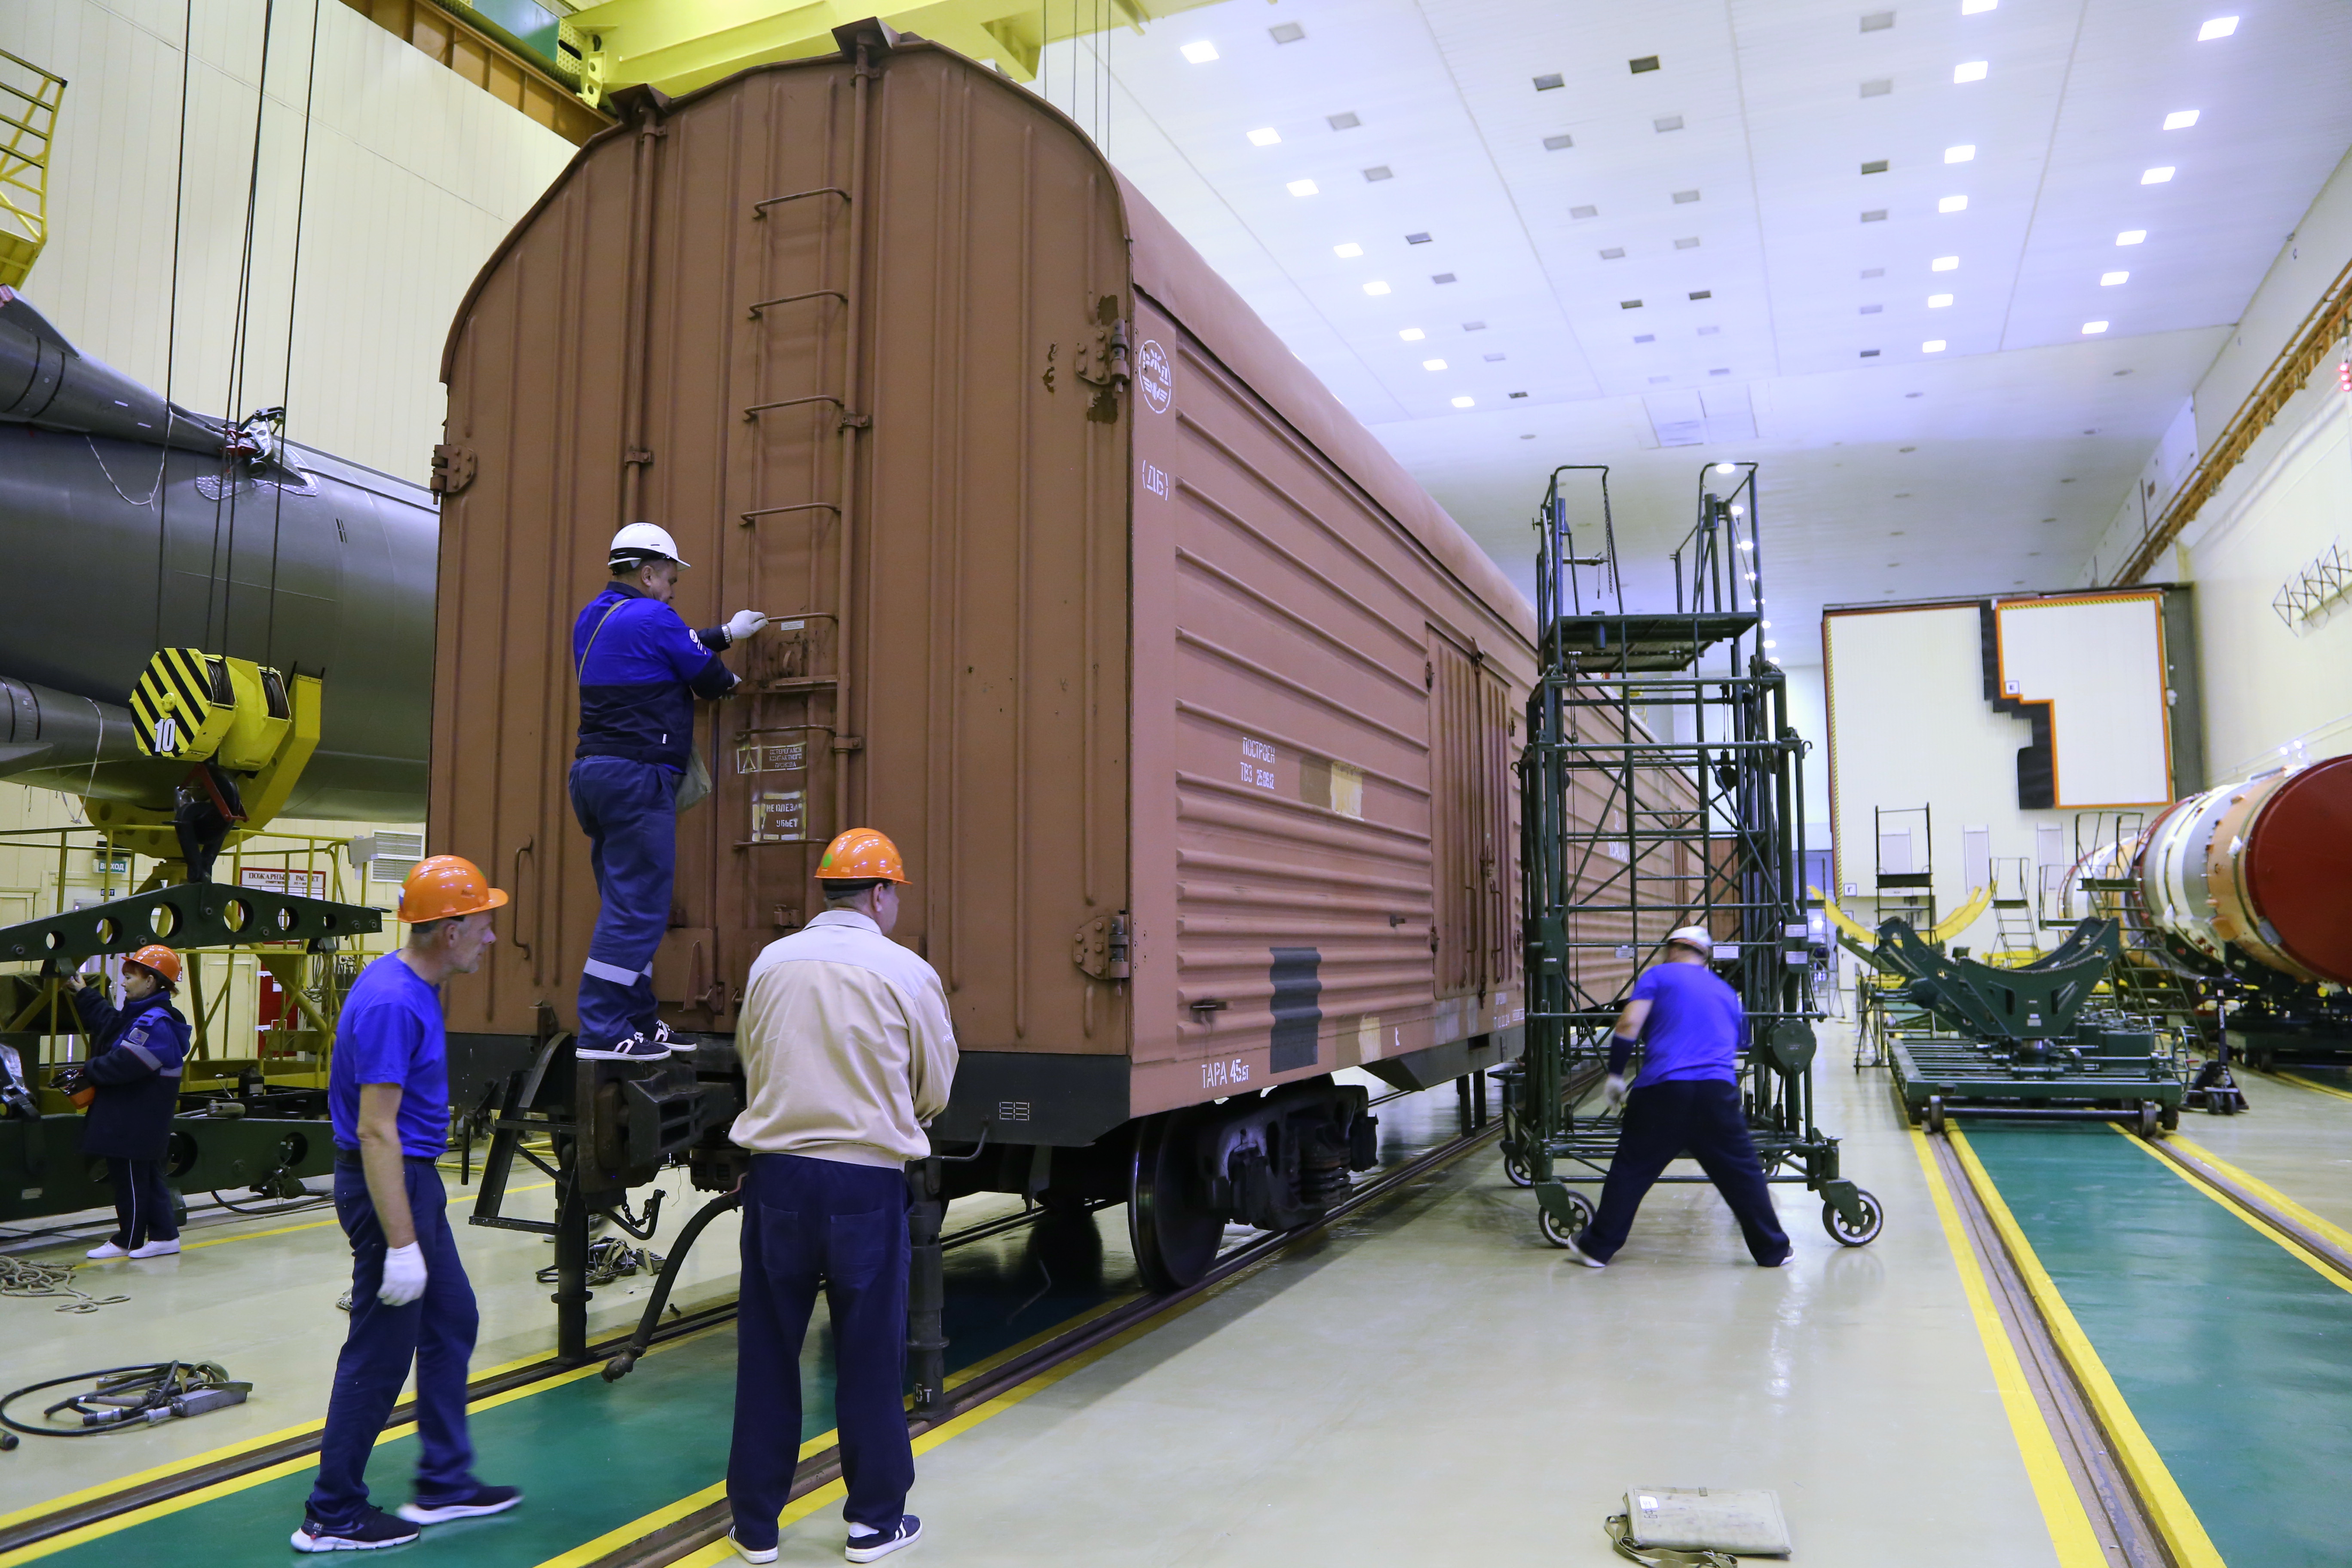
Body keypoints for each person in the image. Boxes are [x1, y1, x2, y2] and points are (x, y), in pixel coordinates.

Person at [725, 828, 958, 1565]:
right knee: (868, 1355)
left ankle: (756, 1527)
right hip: (864, 1182)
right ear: (881, 893)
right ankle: (873, 1524)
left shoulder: (771, 962)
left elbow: (751, 1056)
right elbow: (935, 1085)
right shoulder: (907, 972)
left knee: (768, 1351)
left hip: (778, 1179)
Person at [294, 856, 521, 1553]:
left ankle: (445, 1481)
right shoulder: (395, 1002)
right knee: (381, 1349)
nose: (490, 937)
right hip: (389, 1183)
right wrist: (400, 1244)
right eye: (482, 924)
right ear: (450, 931)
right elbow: (376, 1131)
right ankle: (332, 1512)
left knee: (452, 1318)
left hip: (411, 1182)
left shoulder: (412, 986)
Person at [571, 521, 768, 1061]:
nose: (673, 590)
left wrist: (726, 633)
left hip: (593, 776)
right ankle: (603, 1030)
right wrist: (730, 679)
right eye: (671, 579)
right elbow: (707, 676)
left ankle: (638, 1019)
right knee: (637, 909)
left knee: (626, 904)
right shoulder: (655, 617)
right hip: (637, 777)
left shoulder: (593, 618)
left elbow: (661, 646)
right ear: (648, 573)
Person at [1562, 925, 1793, 1270]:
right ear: (1706, 957)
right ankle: (1773, 1251)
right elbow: (1737, 1043)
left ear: (1672, 950)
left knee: (1632, 1170)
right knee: (1741, 1173)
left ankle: (1597, 1249)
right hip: (1716, 1094)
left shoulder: (1658, 976)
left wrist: (1615, 1075)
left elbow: (1628, 1025)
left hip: (1663, 1090)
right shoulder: (1726, 992)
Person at [61, 945, 191, 1260]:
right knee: (147, 1178)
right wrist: (83, 993)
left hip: (136, 1120)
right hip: (137, 1117)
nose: (124, 982)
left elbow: (126, 1063)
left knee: (130, 1179)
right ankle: (165, 1237)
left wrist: (87, 1070)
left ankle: (128, 1240)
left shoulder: (155, 1024)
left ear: (151, 981)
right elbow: (111, 1023)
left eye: (131, 977)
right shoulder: (140, 1016)